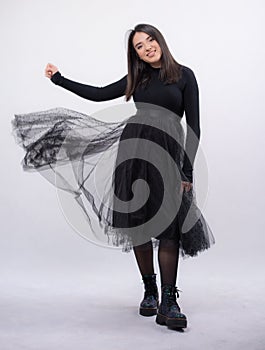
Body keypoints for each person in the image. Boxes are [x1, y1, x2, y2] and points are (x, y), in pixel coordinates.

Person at [13, 23, 215, 330]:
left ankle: (169, 302)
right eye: (139, 46)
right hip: (134, 151)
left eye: (150, 40)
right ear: (135, 54)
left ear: (160, 40)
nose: (147, 47)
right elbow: (97, 94)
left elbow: (195, 127)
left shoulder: (184, 76)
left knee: (169, 225)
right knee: (139, 224)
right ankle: (149, 291)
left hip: (169, 153)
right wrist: (59, 79)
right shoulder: (140, 77)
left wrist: (186, 170)